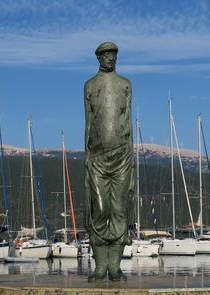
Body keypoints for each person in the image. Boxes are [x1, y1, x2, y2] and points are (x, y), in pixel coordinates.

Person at [84, 41, 134, 281]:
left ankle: (114, 266)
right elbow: (88, 122)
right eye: (106, 55)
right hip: (97, 158)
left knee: (119, 209)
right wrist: (87, 159)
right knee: (100, 209)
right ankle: (99, 265)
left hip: (122, 156)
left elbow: (128, 122)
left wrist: (131, 160)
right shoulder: (90, 86)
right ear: (99, 58)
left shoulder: (125, 84)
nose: (111, 59)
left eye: (114, 55)